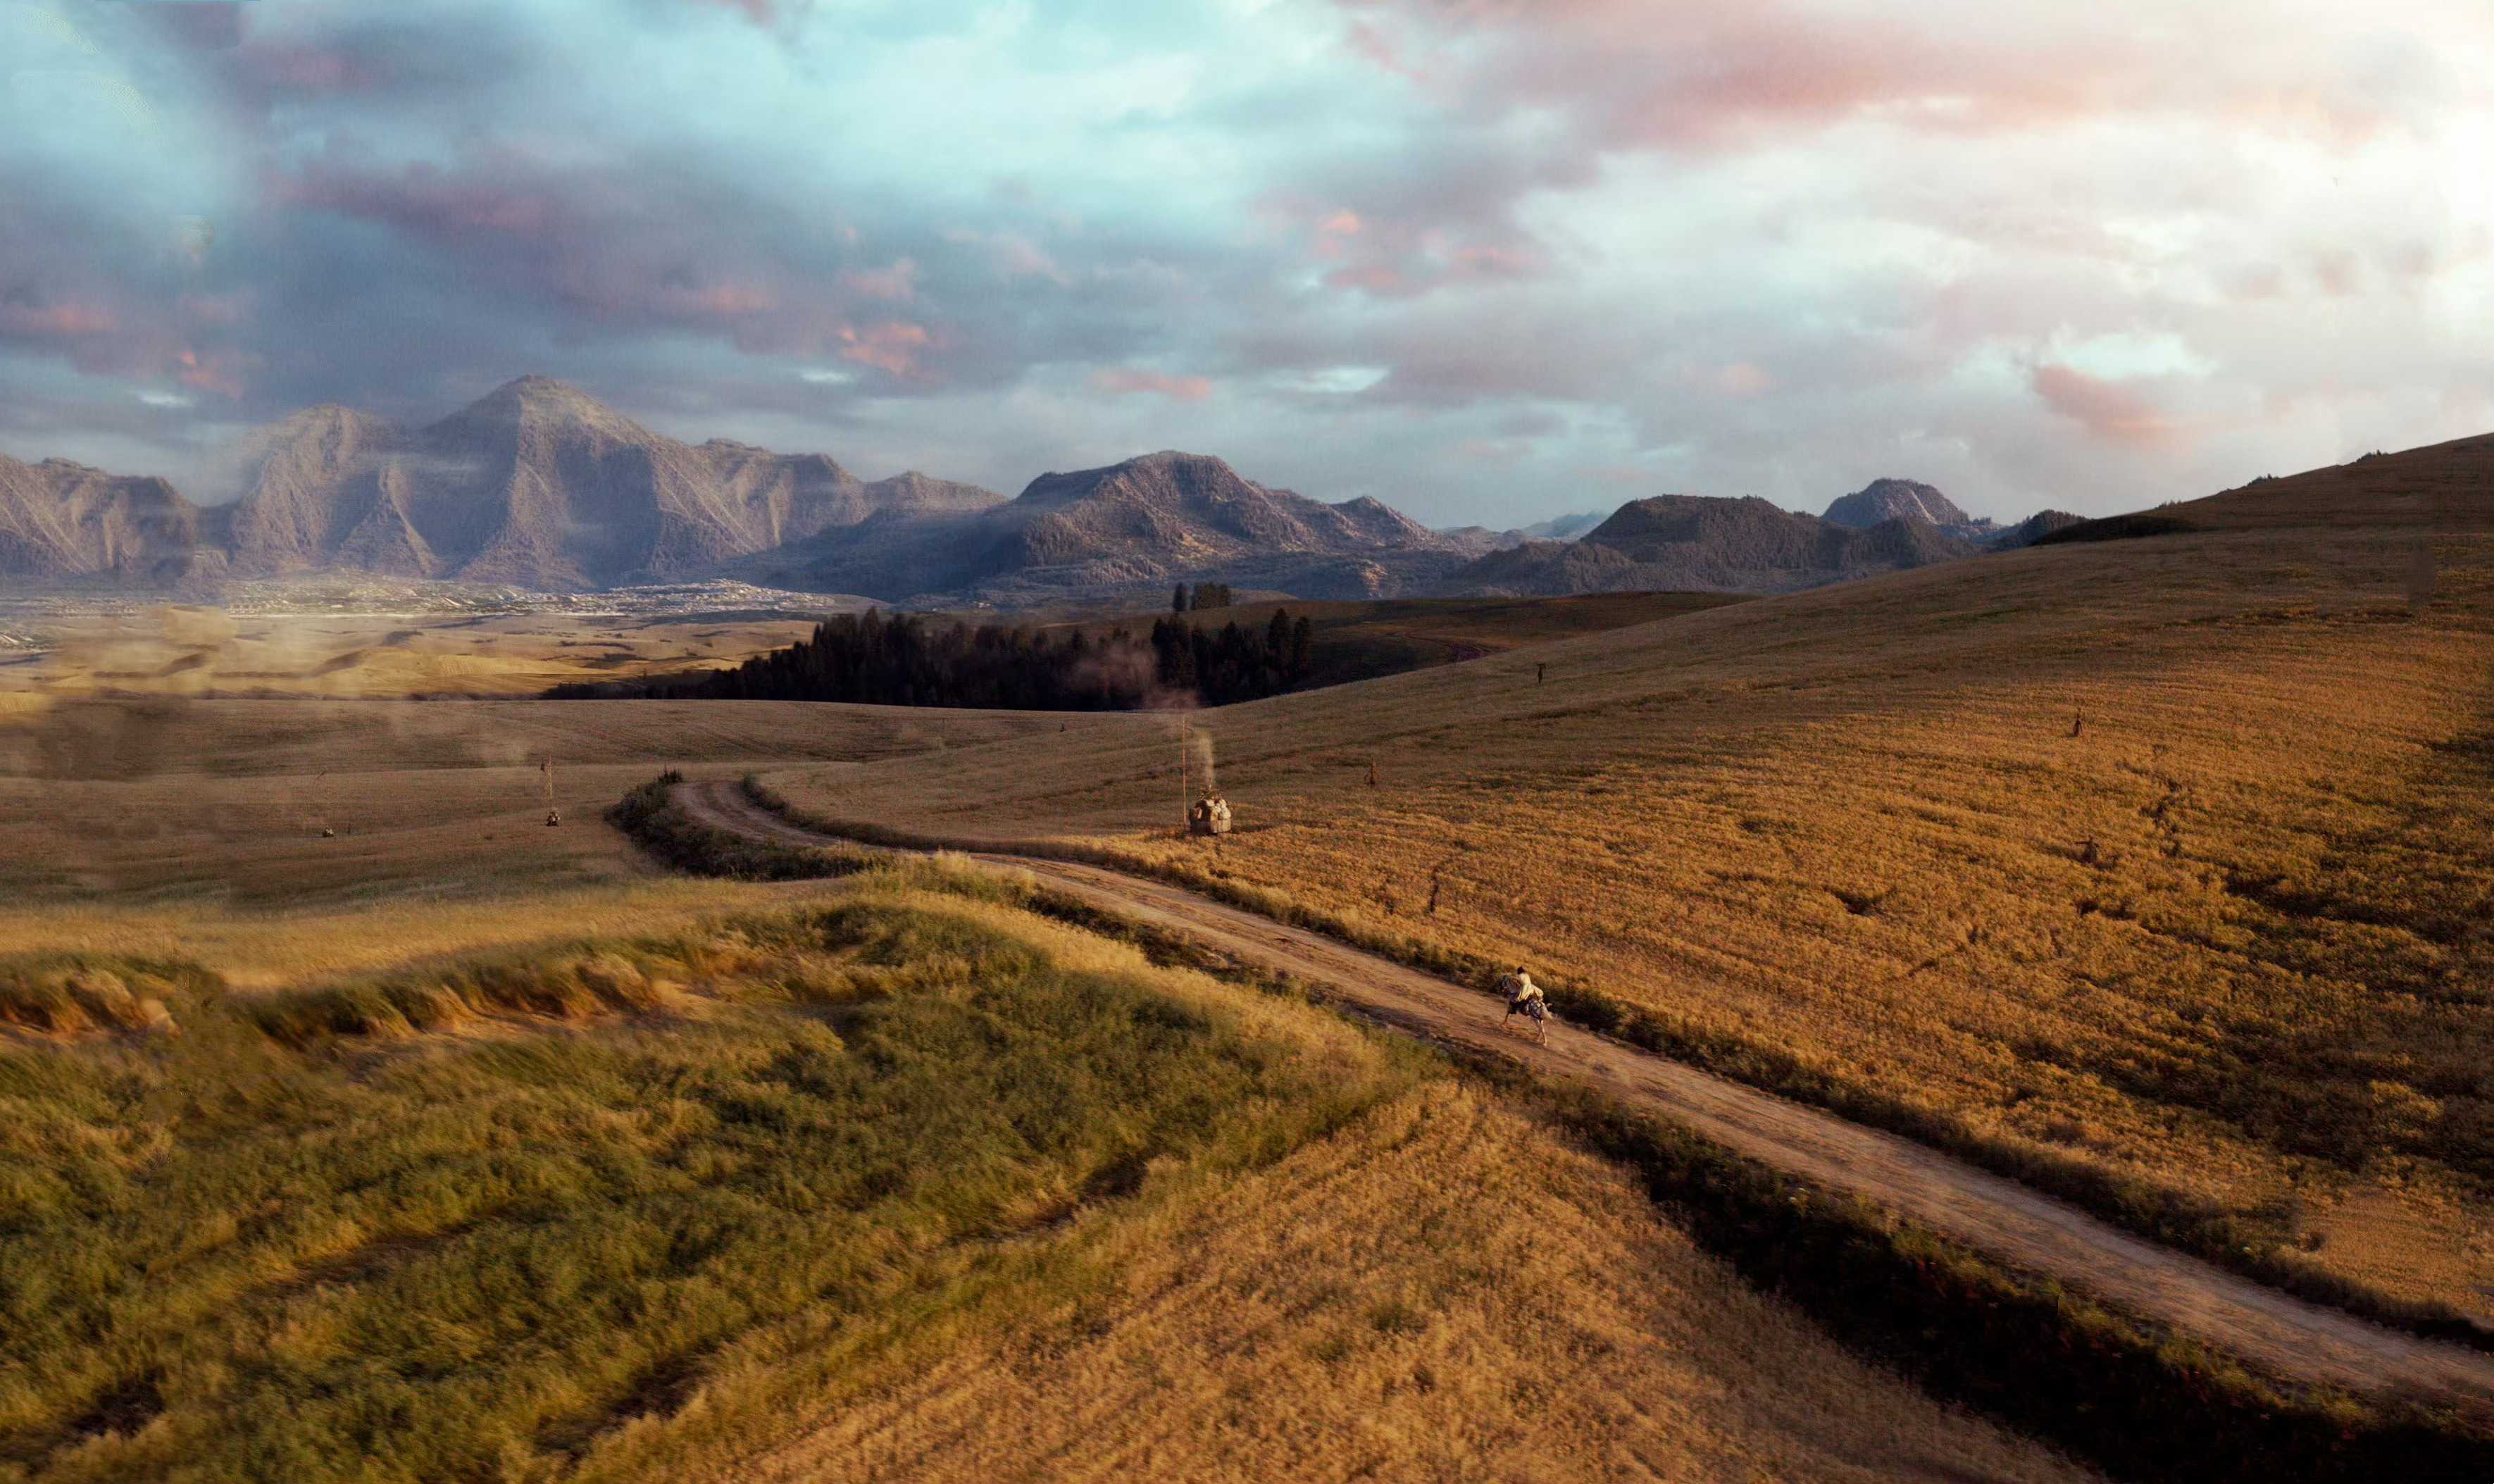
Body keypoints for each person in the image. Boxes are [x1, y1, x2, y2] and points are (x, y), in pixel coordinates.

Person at [1499, 966, 1547, 1038]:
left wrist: (1510, 977)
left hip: (1525, 990)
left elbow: (1517, 981)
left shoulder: (1520, 976)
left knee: (1514, 1002)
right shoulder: (1526, 975)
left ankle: (1512, 1012)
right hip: (1532, 989)